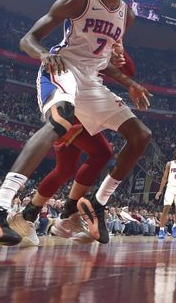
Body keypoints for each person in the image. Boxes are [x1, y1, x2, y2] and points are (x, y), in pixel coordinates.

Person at [0, 0, 152, 246]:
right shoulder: (78, 1)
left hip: (92, 81)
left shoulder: (127, 15)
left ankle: (97, 204)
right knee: (60, 122)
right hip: (62, 67)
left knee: (140, 135)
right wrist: (43, 54)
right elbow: (29, 38)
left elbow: (102, 61)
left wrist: (130, 83)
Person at [12, 46, 135, 246]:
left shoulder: (106, 40)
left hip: (82, 108)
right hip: (69, 105)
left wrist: (122, 53)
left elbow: (128, 72)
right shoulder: (82, 41)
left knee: (64, 169)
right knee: (102, 153)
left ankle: (27, 217)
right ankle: (68, 215)